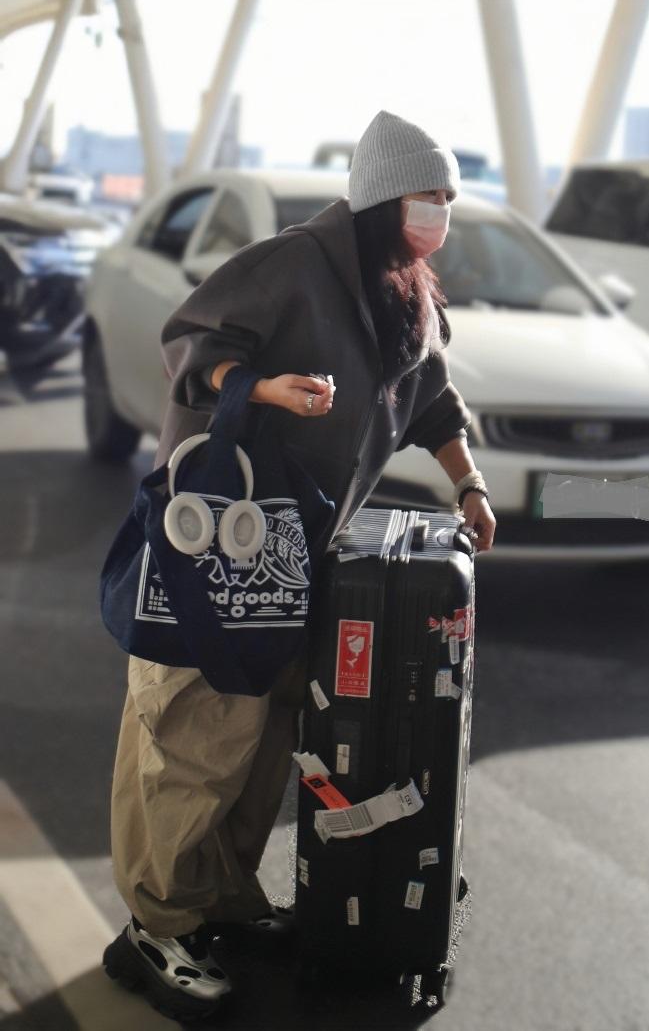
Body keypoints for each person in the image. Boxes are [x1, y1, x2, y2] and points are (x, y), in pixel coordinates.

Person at [103, 109, 496, 1021]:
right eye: (426, 195)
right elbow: (191, 347)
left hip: (294, 560)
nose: (439, 213)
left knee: (262, 742)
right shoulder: (291, 266)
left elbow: (432, 400)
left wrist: (469, 483)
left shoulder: (404, 292)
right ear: (380, 198)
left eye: (447, 197)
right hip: (215, 550)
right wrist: (261, 390)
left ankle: (220, 900)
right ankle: (156, 929)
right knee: (192, 739)